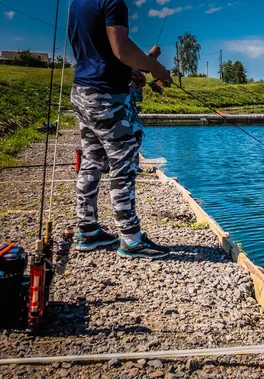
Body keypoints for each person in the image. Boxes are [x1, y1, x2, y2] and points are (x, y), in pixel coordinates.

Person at [69, 0, 172, 259]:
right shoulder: (113, 1)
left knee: (92, 161)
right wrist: (156, 68)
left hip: (83, 92)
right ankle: (131, 238)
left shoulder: (78, 2)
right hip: (106, 97)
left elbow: (96, 48)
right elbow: (121, 47)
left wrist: (130, 71)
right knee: (123, 163)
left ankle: (88, 230)